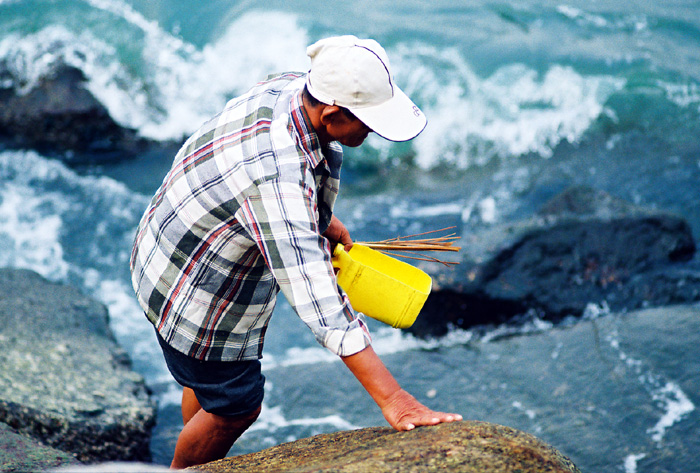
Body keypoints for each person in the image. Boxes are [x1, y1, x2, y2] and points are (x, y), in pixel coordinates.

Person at [130, 35, 462, 469]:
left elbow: (278, 177)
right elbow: (321, 303)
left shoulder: (289, 88)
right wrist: (395, 400)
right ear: (332, 113)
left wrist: (319, 218)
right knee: (236, 406)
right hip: (189, 290)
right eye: (367, 122)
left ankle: (200, 446)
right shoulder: (278, 176)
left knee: (209, 384)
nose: (373, 132)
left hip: (164, 246)